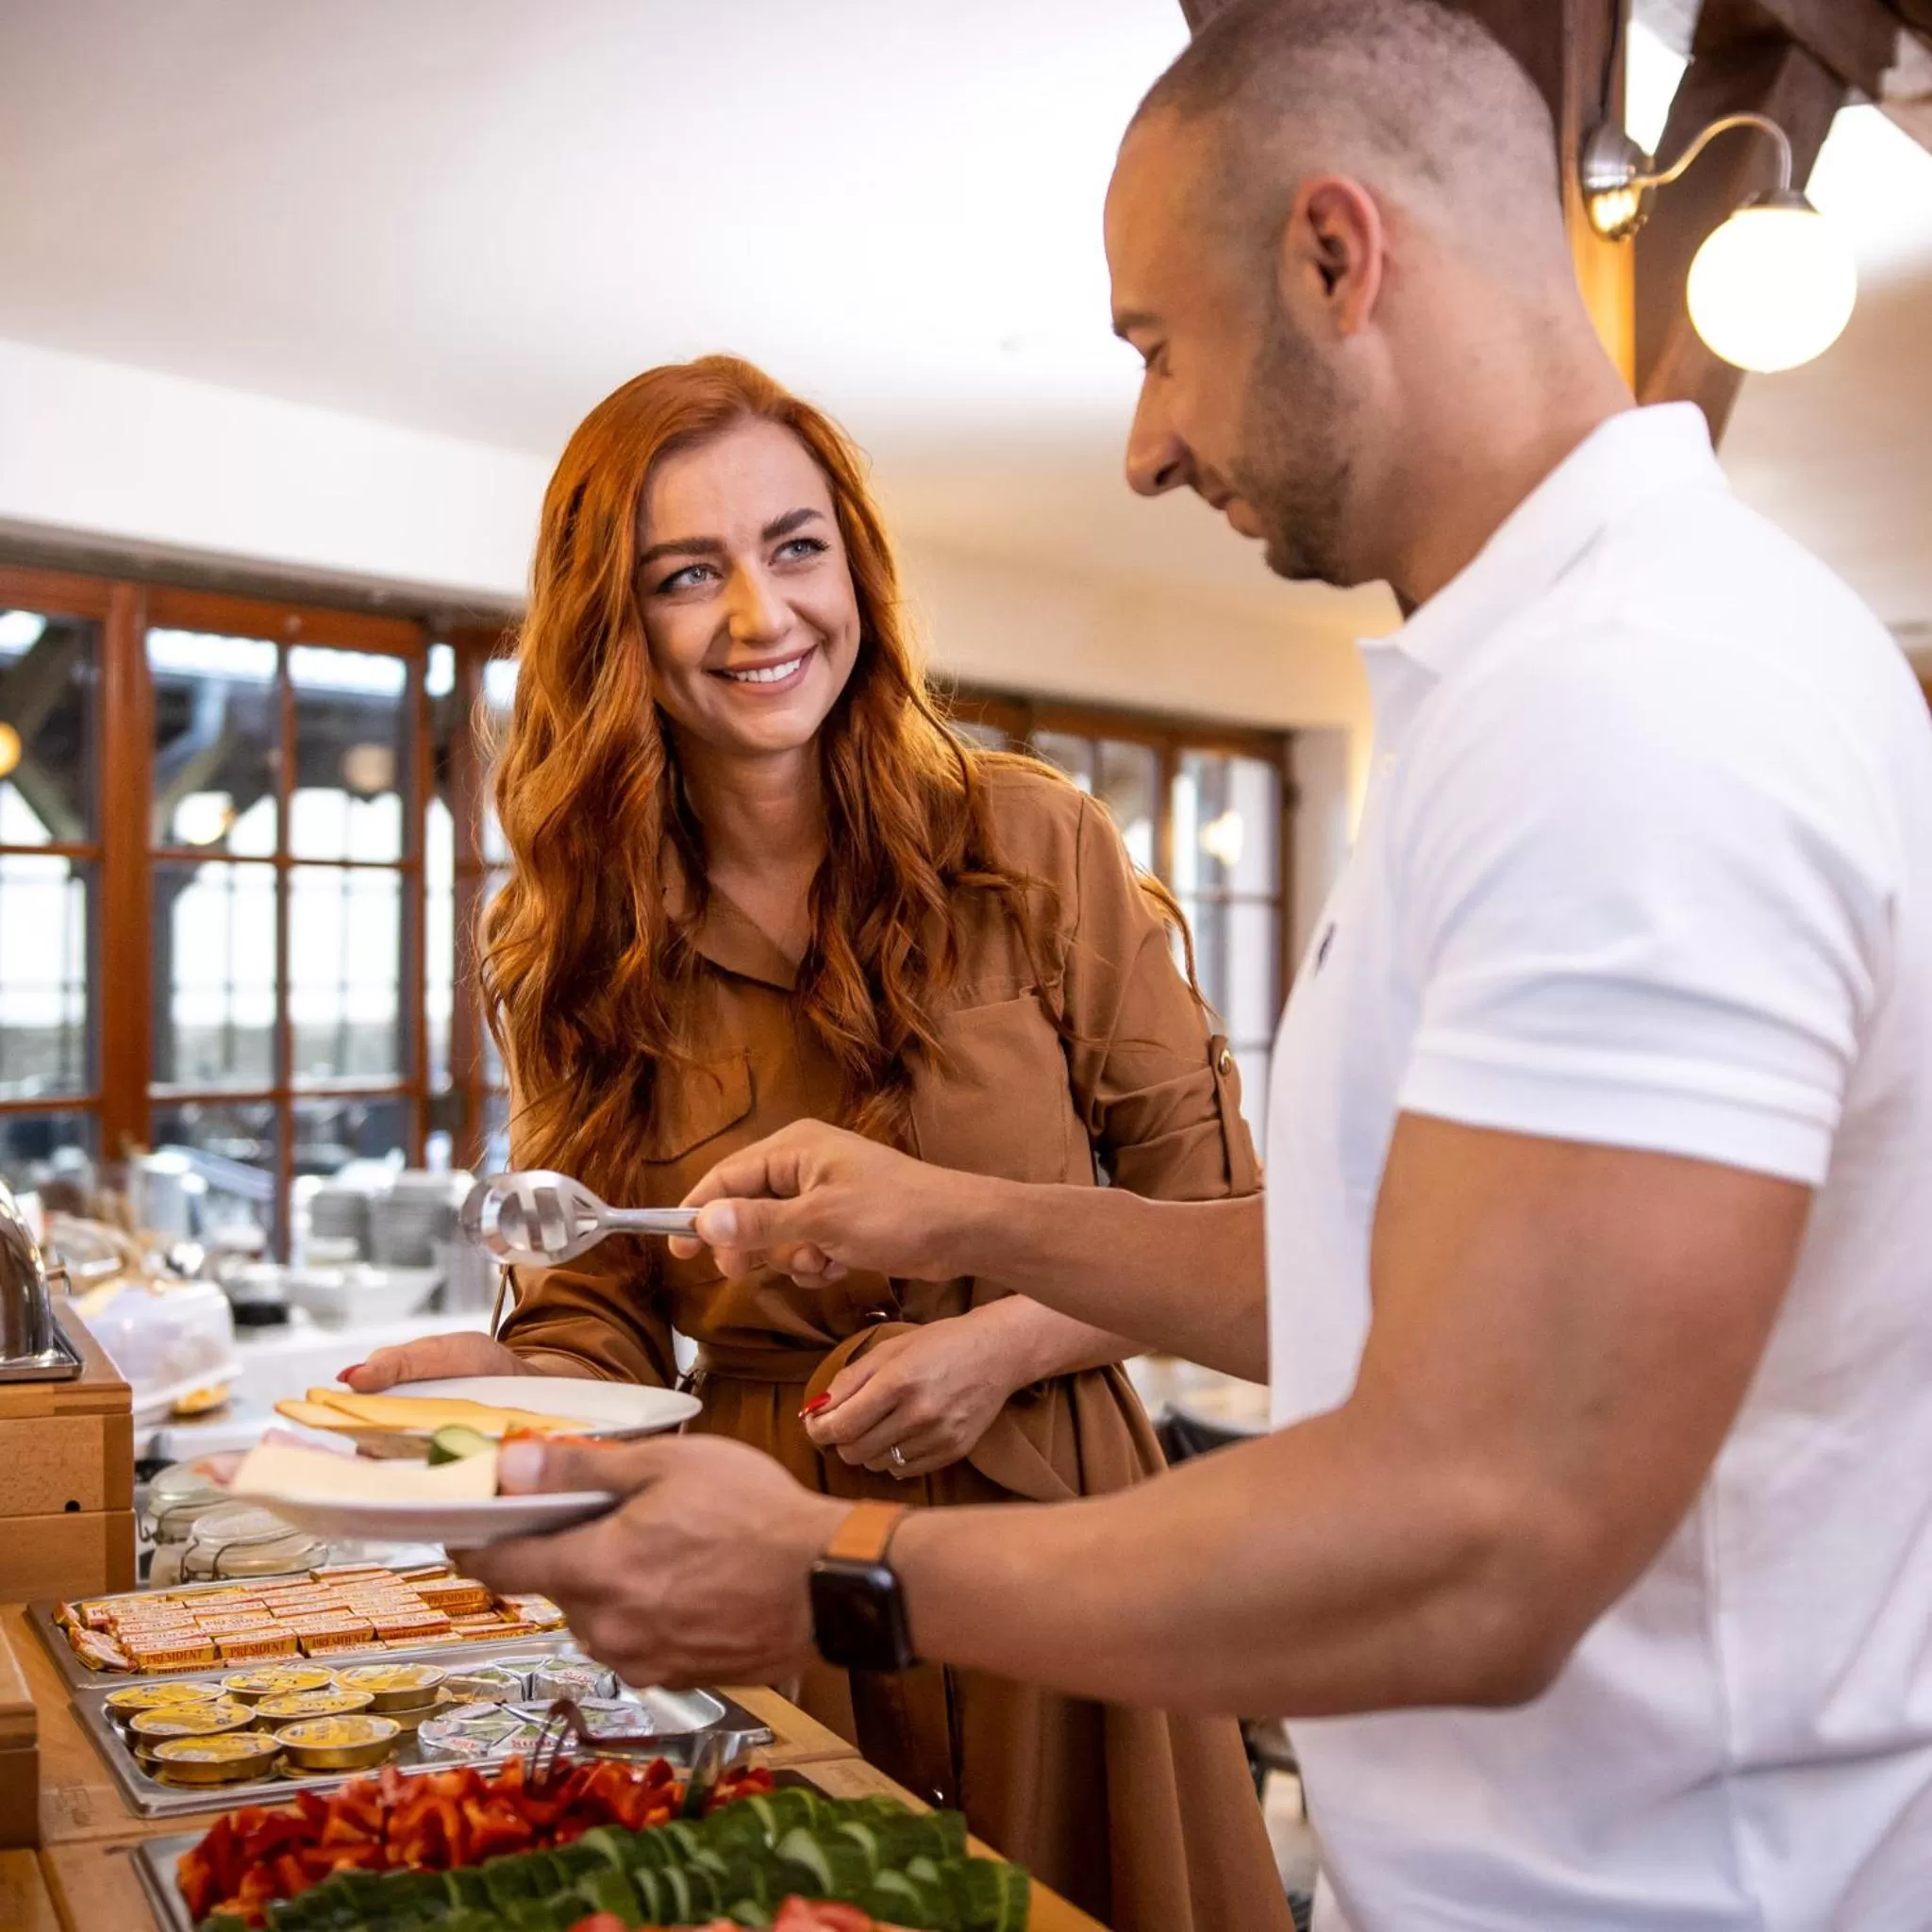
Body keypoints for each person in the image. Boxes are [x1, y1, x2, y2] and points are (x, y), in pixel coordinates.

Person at [466, 4, 1932, 1929]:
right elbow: (1345, 1264)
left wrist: (834, 1563)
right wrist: (960, 1206)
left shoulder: (1632, 713)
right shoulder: (1528, 697)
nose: (1148, 444)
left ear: (1335, 254)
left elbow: (1479, 1541)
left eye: (1154, 343)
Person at [348, 355, 1290, 1932]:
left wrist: (999, 1341)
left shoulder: (1031, 844)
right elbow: (598, 1300)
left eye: (796, 549)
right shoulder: (571, 937)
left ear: (855, 566)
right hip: (762, 1547)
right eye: (687, 575)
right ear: (614, 624)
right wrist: (503, 1387)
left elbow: (1235, 1227)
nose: (761, 617)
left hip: (1061, 1516)